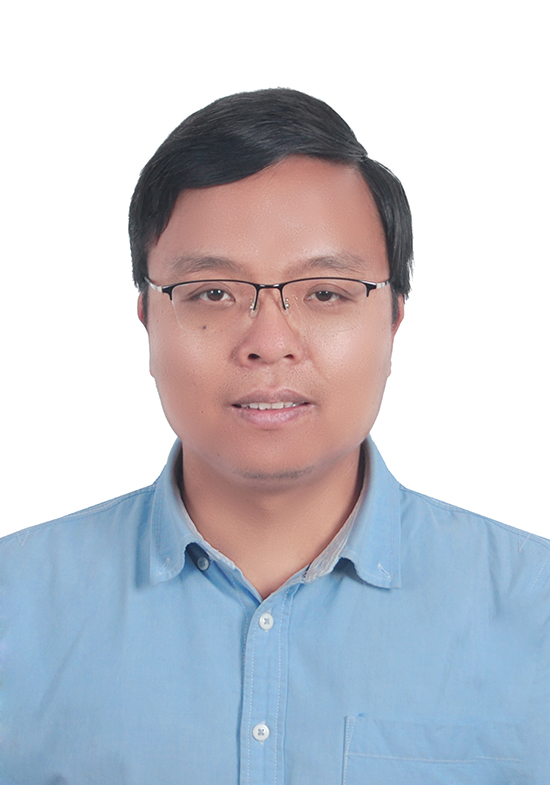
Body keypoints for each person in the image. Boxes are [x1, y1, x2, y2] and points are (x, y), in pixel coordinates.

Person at [1, 88, 548, 784]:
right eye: (212, 293)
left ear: (394, 319)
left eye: (325, 293)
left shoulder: (535, 609)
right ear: (147, 319)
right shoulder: (15, 607)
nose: (268, 342)